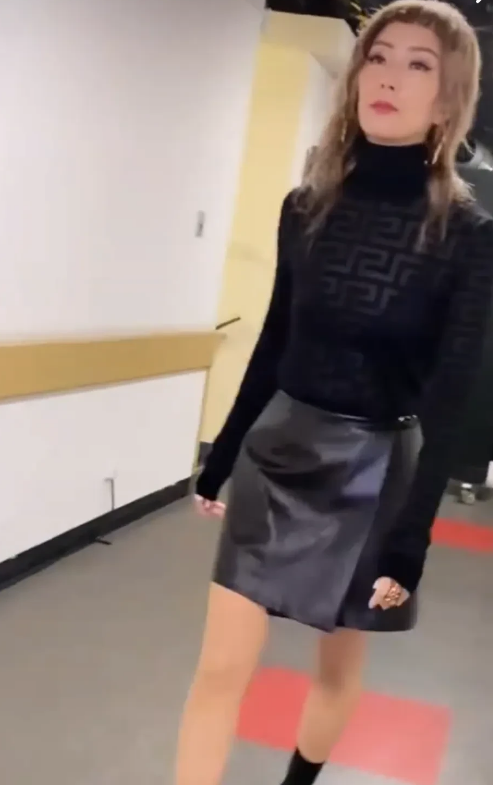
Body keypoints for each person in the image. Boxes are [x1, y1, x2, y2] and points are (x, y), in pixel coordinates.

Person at [175, 2, 493, 785]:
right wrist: (224, 452)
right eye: (378, 57)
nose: (389, 77)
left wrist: (412, 540)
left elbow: (452, 398)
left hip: (374, 470)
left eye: (419, 64)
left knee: (337, 664)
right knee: (220, 666)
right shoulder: (305, 207)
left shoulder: (466, 235)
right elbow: (274, 340)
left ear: (448, 98)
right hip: (279, 448)